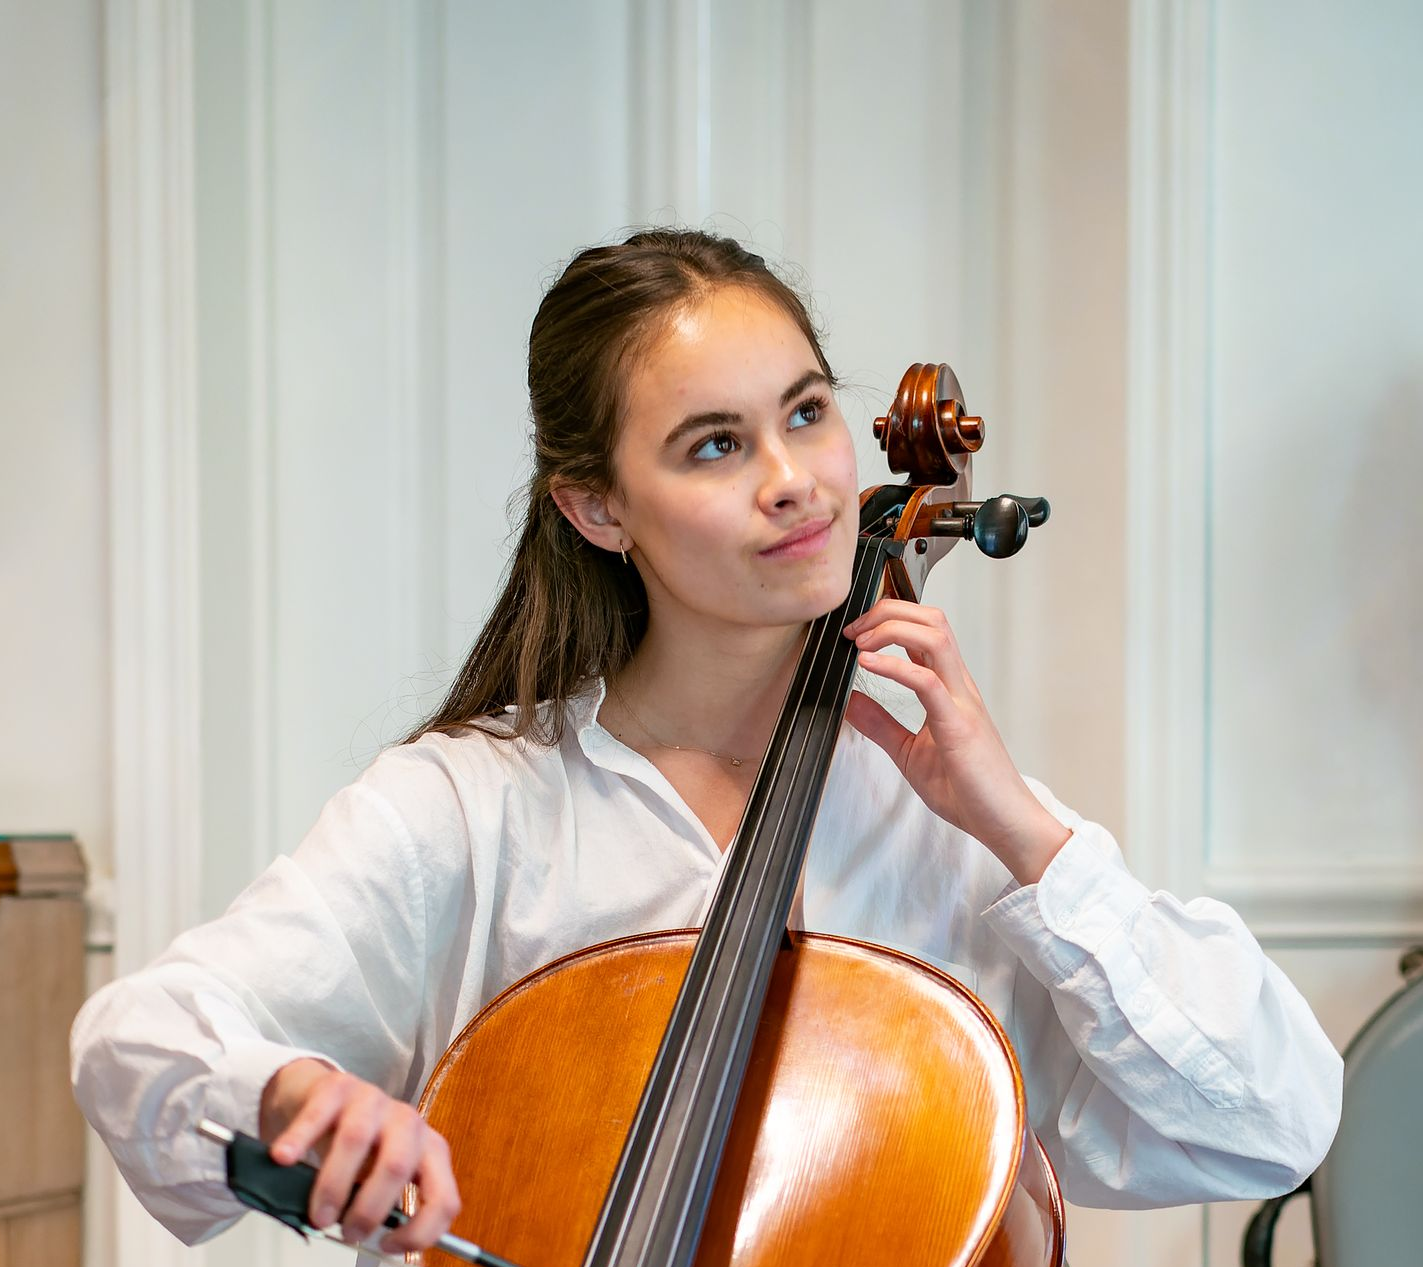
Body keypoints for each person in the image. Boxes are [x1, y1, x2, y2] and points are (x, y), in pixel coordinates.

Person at [71, 229, 1341, 1259]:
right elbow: (137, 1039)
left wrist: (1023, 828)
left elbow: (1273, 1124)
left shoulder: (947, 835)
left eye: (804, 413)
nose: (794, 480)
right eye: (716, 444)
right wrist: (292, 1095)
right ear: (597, 506)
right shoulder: (471, 806)